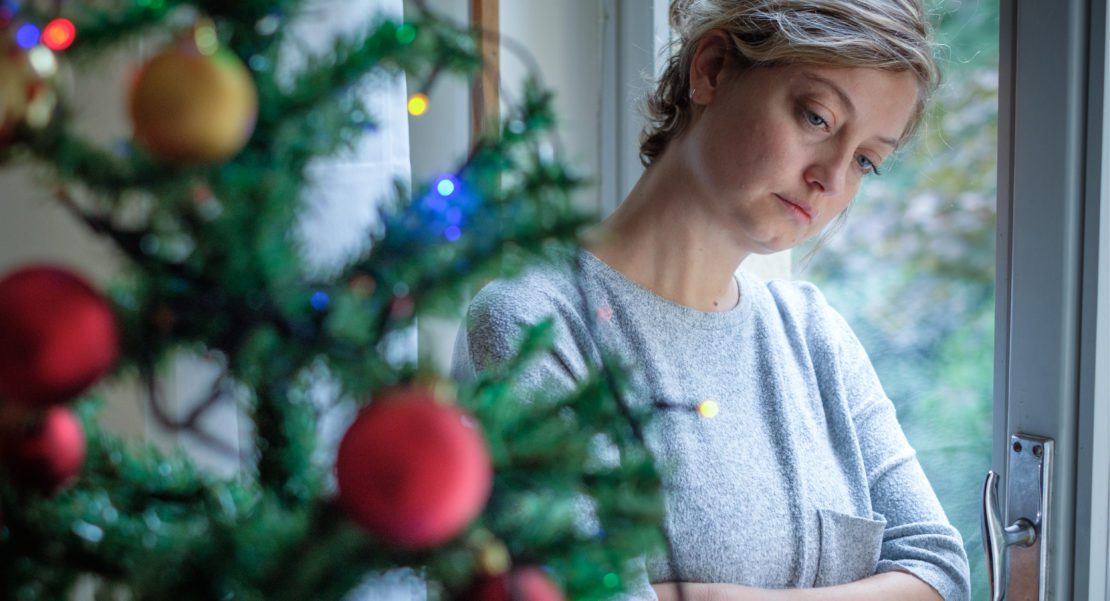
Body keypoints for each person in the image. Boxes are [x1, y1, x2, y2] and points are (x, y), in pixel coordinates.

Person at [451, 0, 972, 599]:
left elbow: (940, 572)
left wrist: (708, 597)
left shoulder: (814, 335)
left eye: (865, 161)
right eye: (817, 118)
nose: (831, 178)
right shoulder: (534, 325)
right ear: (714, 69)